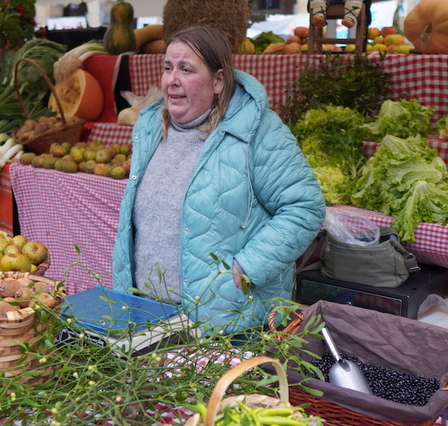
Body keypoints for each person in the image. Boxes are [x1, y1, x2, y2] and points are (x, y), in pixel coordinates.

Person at [112, 25, 326, 335]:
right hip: (147, 311)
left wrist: (248, 267)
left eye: (186, 70)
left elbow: (304, 207)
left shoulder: (257, 129)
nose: (172, 80)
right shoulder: (149, 126)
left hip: (224, 319)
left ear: (218, 80)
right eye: (168, 68)